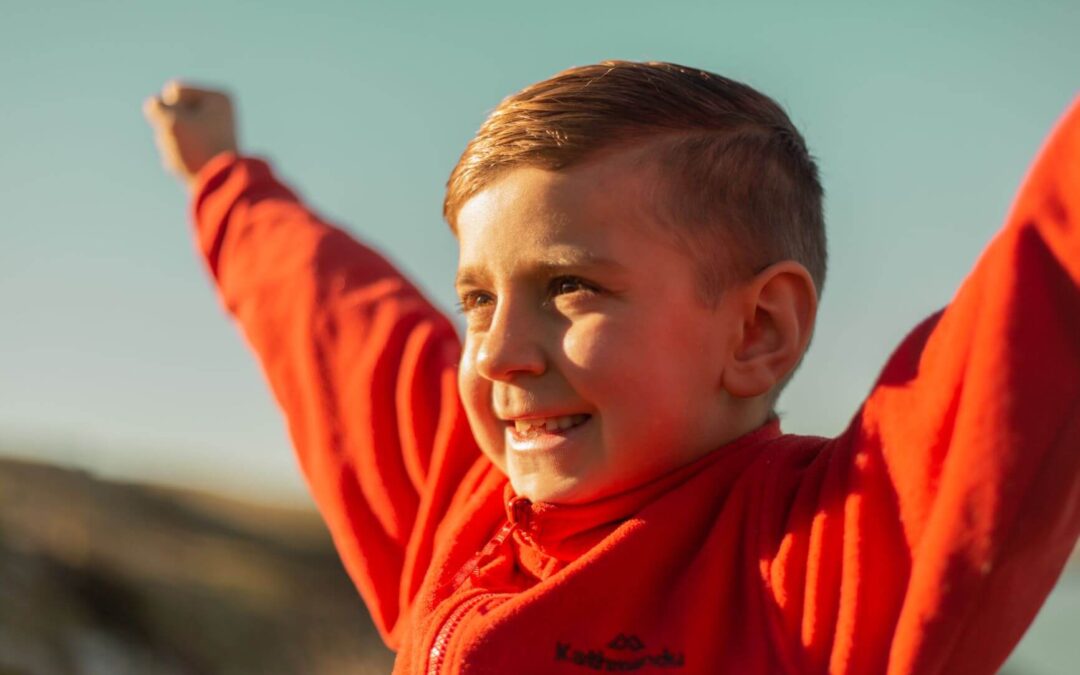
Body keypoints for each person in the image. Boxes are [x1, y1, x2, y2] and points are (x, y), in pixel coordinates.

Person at [143, 61, 1080, 674]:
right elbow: (333, 318)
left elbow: (1044, 303)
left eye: (569, 286)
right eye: (477, 297)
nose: (501, 352)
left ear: (758, 329)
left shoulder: (829, 563)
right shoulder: (461, 502)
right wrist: (222, 178)